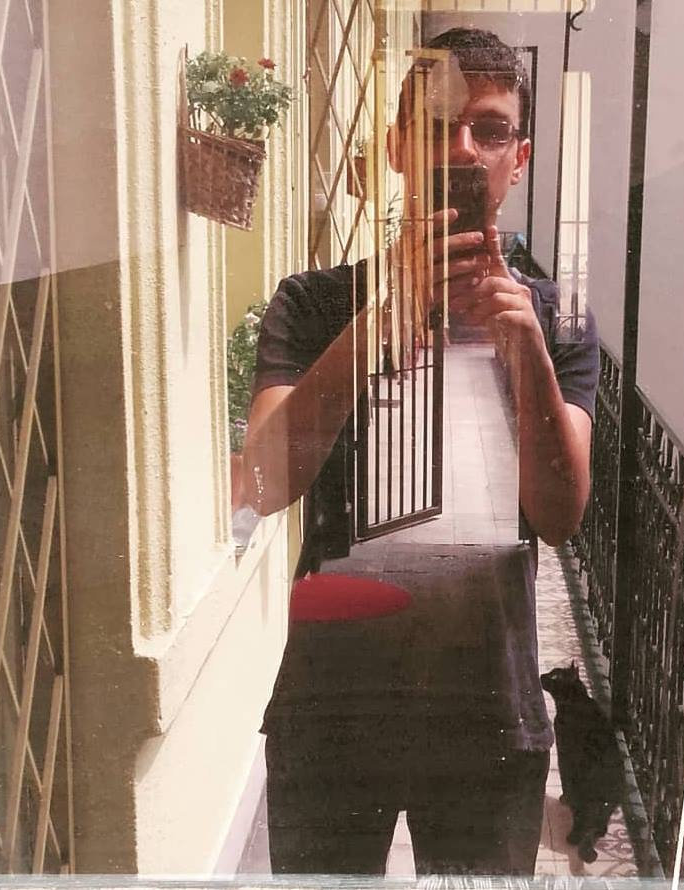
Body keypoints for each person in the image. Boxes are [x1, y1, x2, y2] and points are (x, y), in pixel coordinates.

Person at [243, 26, 599, 876]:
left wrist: (525, 351)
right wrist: (383, 314)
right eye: (438, 125)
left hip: (489, 719)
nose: (463, 149)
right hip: (332, 710)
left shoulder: (557, 324)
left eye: (490, 129)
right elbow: (260, 481)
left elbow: (560, 516)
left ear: (518, 159)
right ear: (399, 145)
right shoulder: (314, 304)